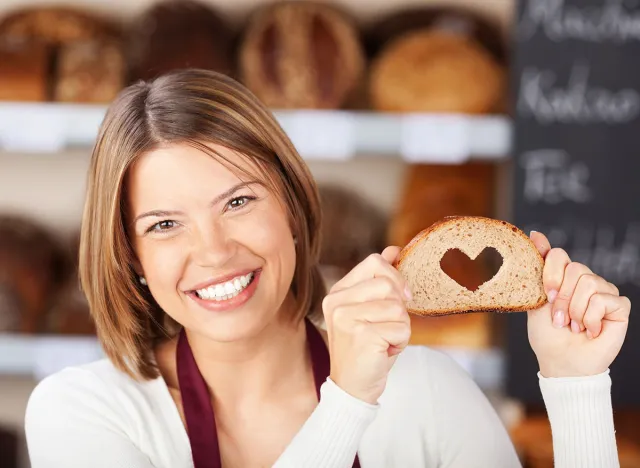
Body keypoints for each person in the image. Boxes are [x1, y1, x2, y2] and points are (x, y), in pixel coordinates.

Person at [24, 69, 629, 468]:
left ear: (292, 206)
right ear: (130, 258)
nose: (212, 252)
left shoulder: (427, 393)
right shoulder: (83, 412)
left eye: (238, 202)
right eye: (163, 224)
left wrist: (575, 384)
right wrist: (347, 400)